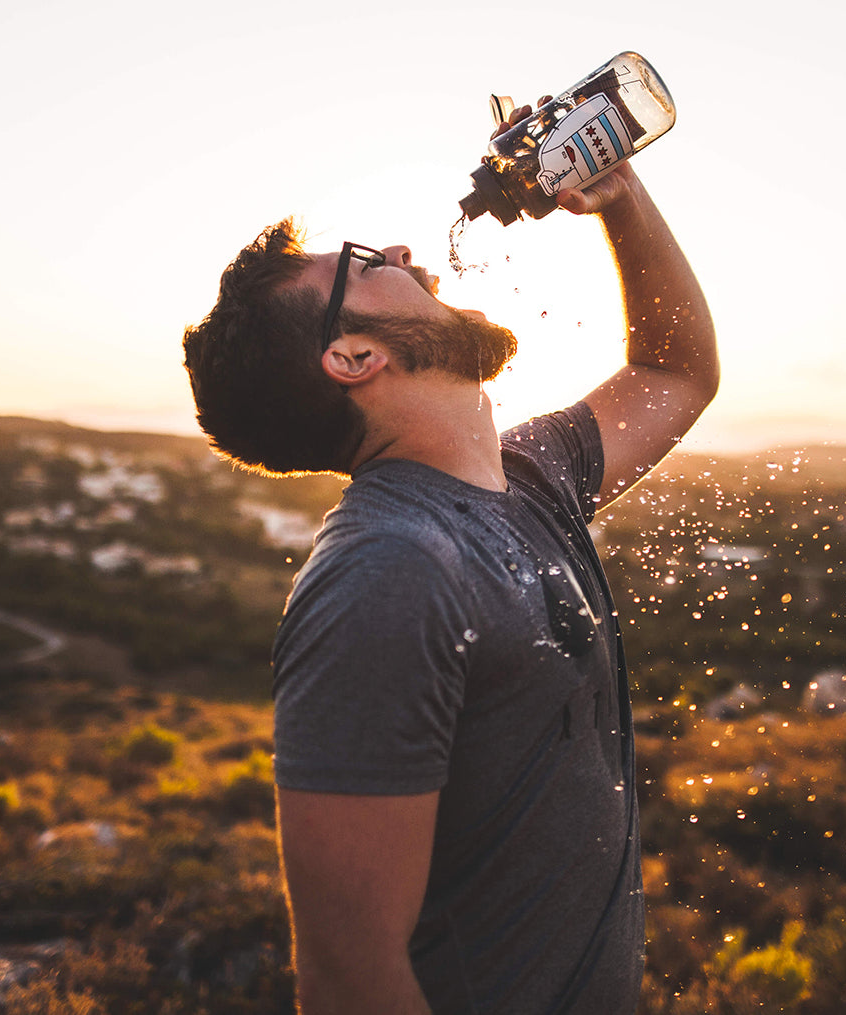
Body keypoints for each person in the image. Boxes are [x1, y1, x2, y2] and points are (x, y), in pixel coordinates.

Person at [181, 100, 717, 1015]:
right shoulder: (386, 575)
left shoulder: (526, 477)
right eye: (364, 264)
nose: (399, 251)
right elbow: (350, 980)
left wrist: (620, 194)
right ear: (351, 355)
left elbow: (675, 373)